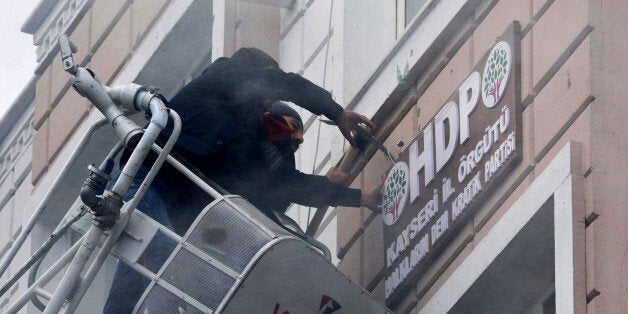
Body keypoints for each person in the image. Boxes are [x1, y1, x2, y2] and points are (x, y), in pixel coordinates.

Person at [102, 47, 381, 312]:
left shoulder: (245, 140)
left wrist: (360, 198)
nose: (269, 101)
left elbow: (289, 185)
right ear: (253, 71)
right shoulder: (223, 78)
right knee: (159, 249)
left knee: (167, 282)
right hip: (146, 180)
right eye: (267, 86)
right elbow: (285, 83)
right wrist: (337, 112)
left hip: (178, 212)